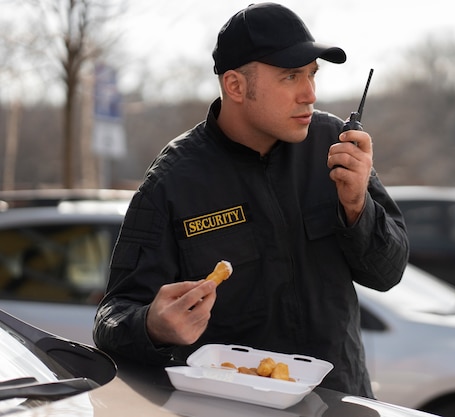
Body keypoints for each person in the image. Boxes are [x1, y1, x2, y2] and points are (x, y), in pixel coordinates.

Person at [93, 2, 408, 398]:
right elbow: (113, 317)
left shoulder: (335, 146)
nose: (309, 94)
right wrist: (152, 326)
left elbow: (389, 272)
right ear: (235, 86)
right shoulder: (173, 180)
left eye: (312, 74)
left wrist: (357, 207)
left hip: (339, 403)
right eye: (291, 76)